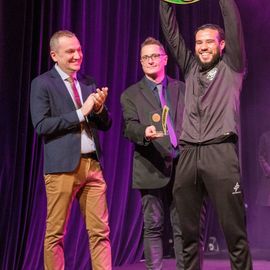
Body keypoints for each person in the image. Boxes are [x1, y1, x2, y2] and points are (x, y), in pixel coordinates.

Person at [160, 0, 253, 269]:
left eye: (209, 42)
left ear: (221, 45)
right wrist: (166, 3)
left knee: (235, 234)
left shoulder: (232, 67)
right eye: (199, 42)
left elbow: (232, 24)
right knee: (186, 236)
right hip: (188, 155)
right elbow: (171, 33)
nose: (202, 47)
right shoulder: (190, 69)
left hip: (220, 153)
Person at [30, 30, 112, 270]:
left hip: (92, 166)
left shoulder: (87, 82)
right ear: (55, 55)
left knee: (100, 232)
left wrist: (98, 109)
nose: (77, 55)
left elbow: (106, 124)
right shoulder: (43, 84)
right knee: (56, 233)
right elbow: (42, 125)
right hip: (62, 169)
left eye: (79, 50)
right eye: (70, 51)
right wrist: (81, 113)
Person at [120, 37, 185, 270]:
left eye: (154, 55)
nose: (150, 60)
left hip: (181, 166)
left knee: (182, 227)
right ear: (140, 62)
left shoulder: (181, 88)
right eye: (145, 57)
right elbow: (128, 127)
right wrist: (143, 133)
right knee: (153, 225)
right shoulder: (130, 94)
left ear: (165, 59)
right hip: (151, 166)